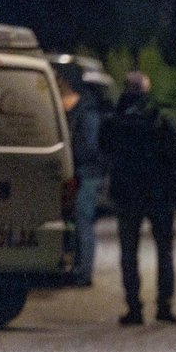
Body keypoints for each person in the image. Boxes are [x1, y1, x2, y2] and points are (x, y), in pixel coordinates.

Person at [99, 71, 176, 325]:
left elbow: (104, 149)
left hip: (128, 195)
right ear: (148, 90)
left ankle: (134, 308)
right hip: (161, 195)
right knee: (165, 252)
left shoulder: (116, 119)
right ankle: (164, 307)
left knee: (129, 253)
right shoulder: (162, 118)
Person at [56, 65, 104, 287]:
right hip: (78, 173)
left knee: (83, 221)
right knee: (76, 222)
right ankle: (77, 267)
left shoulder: (87, 114)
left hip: (87, 174)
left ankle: (84, 273)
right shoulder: (78, 112)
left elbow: (89, 148)